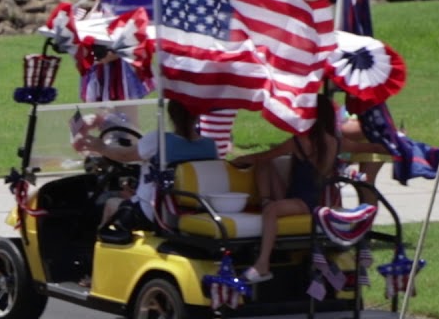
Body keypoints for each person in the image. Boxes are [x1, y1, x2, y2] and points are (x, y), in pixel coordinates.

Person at [230, 94, 340, 284]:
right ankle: (266, 202)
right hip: (294, 196)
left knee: (272, 210)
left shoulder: (304, 141)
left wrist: (241, 159)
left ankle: (263, 263)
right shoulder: (331, 141)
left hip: (308, 203)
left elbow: (265, 154)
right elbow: (265, 158)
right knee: (265, 165)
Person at [75, 100, 217, 234]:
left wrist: (102, 147)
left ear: (171, 115)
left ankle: (99, 244)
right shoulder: (210, 146)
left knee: (111, 202)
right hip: (192, 208)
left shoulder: (158, 140)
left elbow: (124, 156)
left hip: (154, 212)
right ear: (197, 116)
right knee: (128, 195)